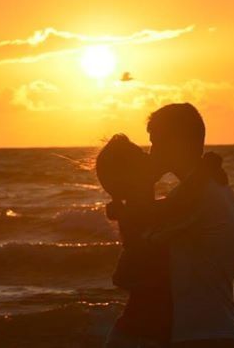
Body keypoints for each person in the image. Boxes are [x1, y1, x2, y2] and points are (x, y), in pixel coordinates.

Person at [145, 103, 234, 348]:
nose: (151, 151)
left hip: (204, 335)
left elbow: (144, 233)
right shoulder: (210, 187)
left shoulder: (197, 195)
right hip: (215, 330)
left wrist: (142, 182)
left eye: (157, 142)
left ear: (178, 143)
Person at [96, 134, 172, 348]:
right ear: (134, 173)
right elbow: (179, 203)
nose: (149, 156)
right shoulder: (141, 212)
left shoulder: (136, 208)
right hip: (140, 333)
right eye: (142, 155)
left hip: (135, 329)